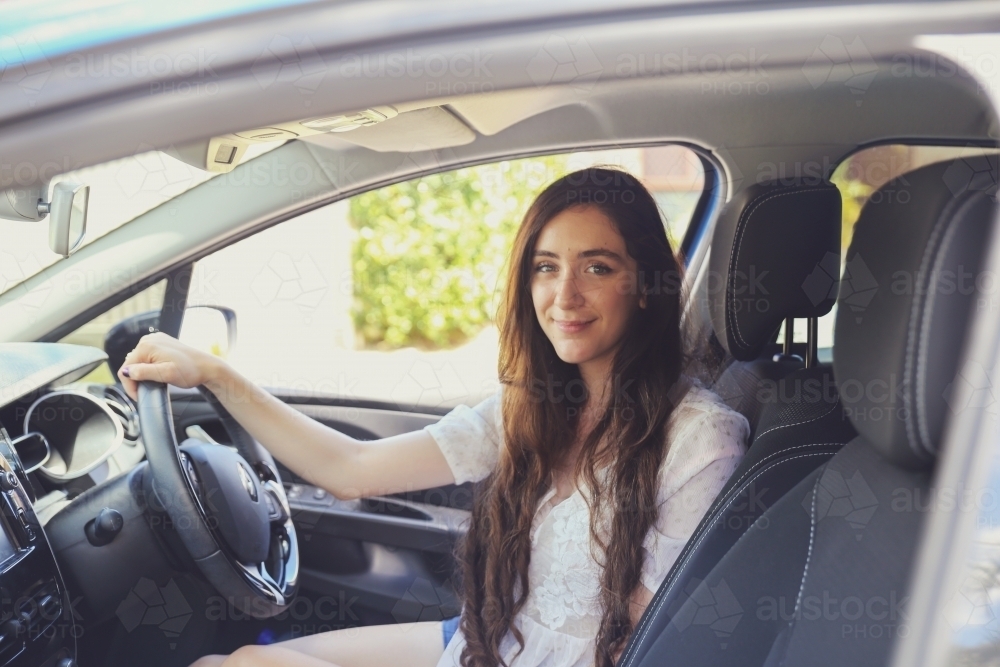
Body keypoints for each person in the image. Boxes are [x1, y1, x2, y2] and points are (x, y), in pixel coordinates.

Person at [118, 167, 749, 667]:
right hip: (491, 643)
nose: (565, 297)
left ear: (646, 286)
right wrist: (215, 375)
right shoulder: (531, 406)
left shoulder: (701, 439)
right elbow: (351, 469)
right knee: (227, 662)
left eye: (597, 267)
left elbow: (651, 645)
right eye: (546, 267)